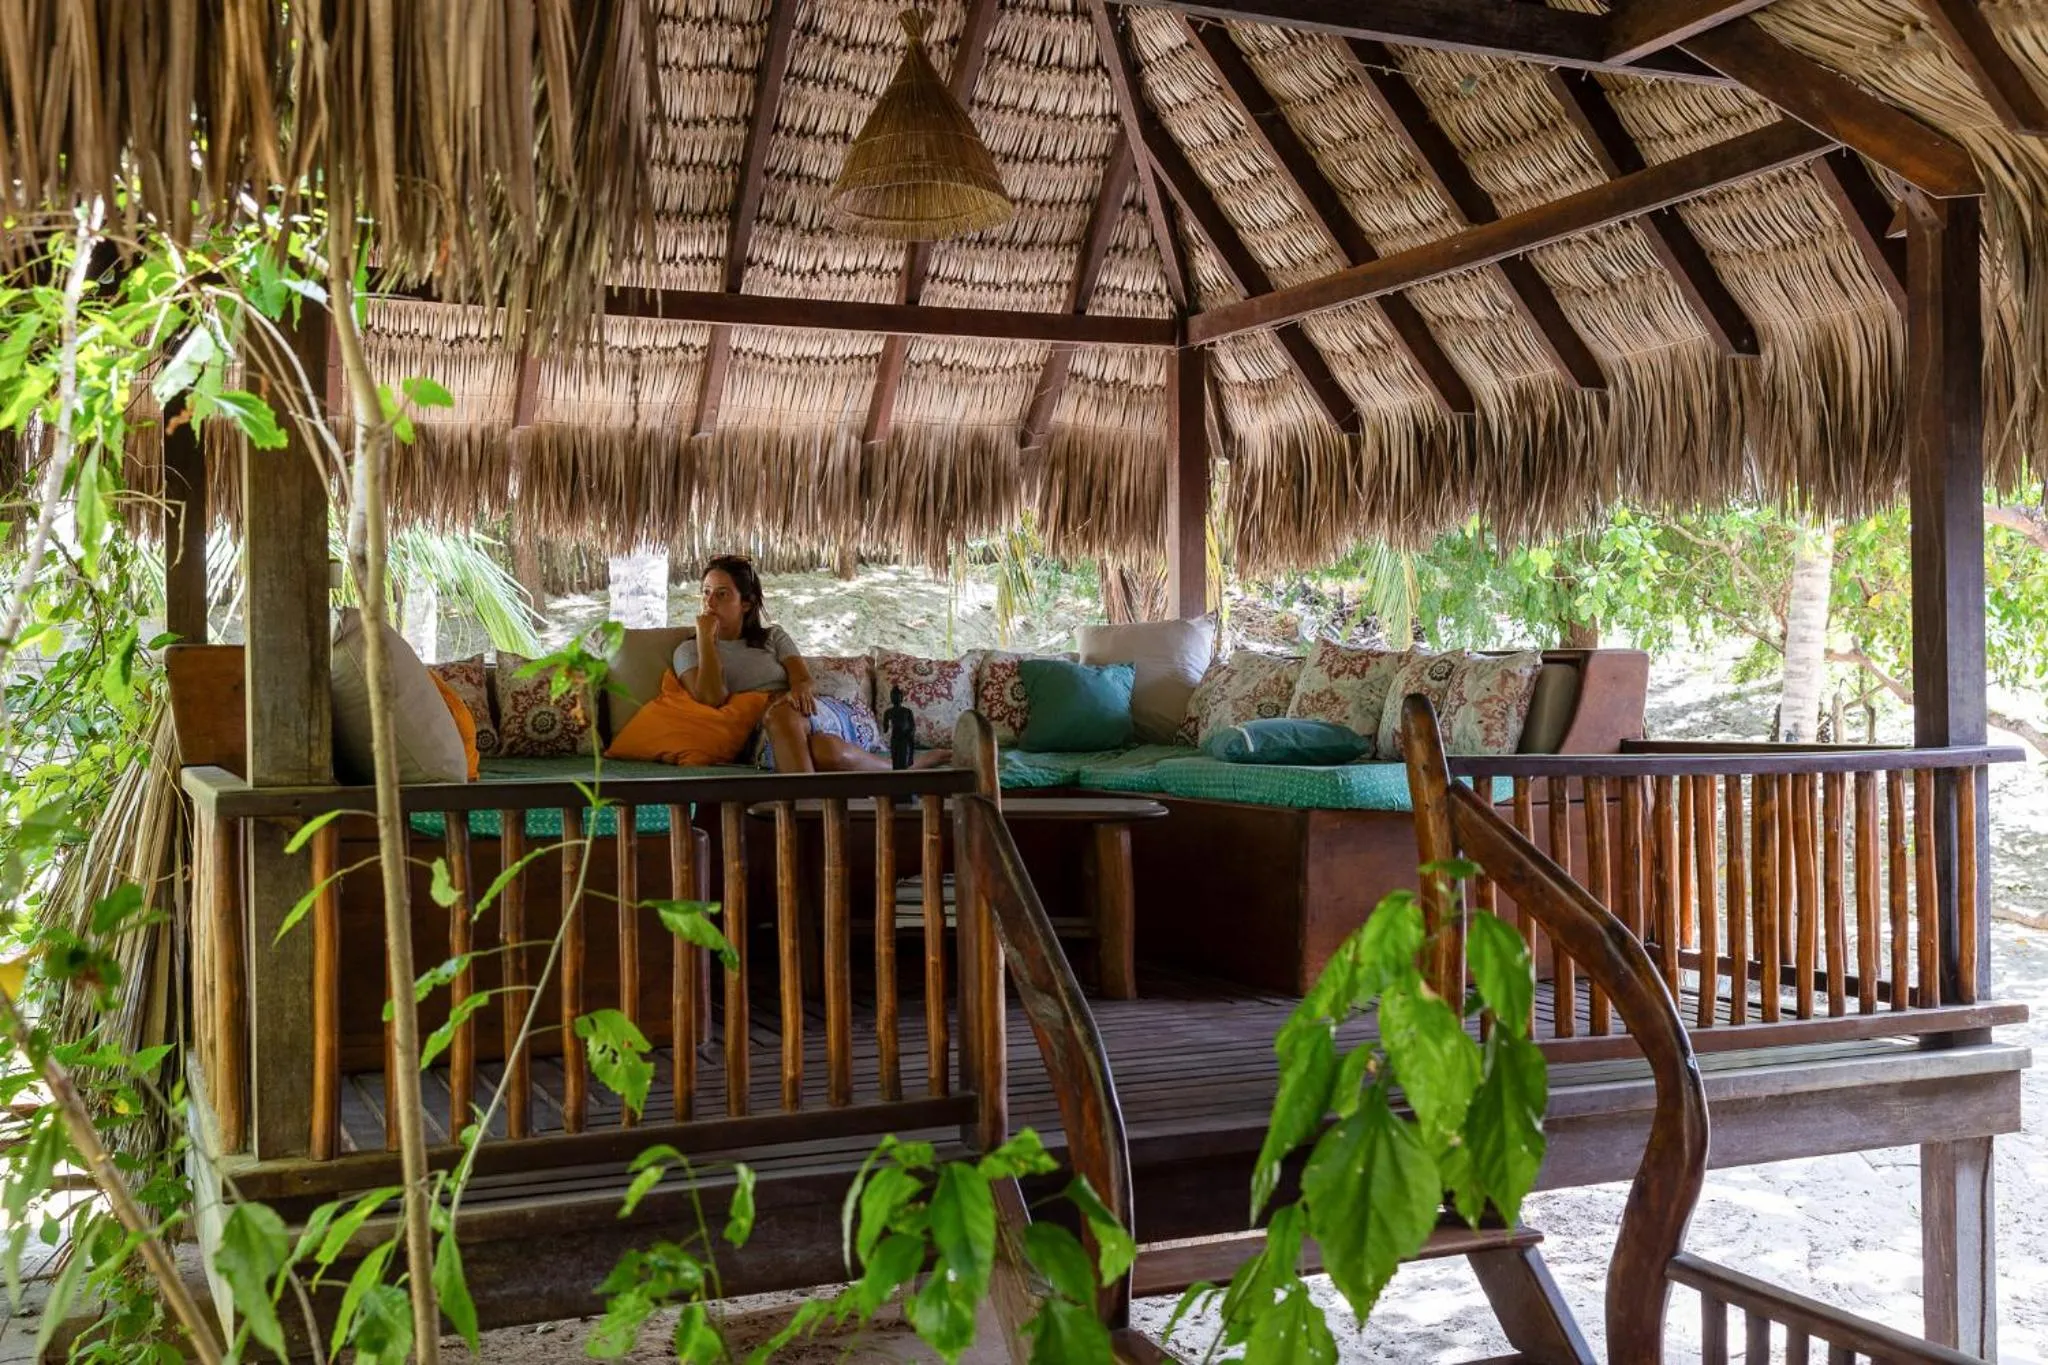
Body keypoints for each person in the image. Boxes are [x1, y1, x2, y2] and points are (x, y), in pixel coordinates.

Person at [675, 555, 950, 773]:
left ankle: (798, 824)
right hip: (765, 737)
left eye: (722, 594)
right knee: (824, 752)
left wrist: (797, 691)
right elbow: (711, 698)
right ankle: (905, 768)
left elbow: (802, 679)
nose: (709, 602)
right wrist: (706, 639)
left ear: (746, 603)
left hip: (812, 713)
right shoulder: (689, 651)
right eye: (706, 592)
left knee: (781, 713)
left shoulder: (773, 637)